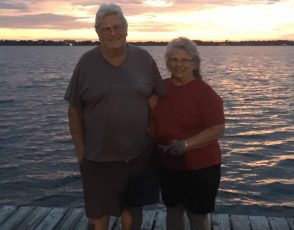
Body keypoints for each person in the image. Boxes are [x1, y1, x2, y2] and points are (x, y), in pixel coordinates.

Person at [64, 3, 165, 230]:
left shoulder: (144, 59)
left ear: (126, 28)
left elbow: (160, 98)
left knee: (132, 215)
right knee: (98, 218)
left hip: (138, 156)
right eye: (106, 29)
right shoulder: (86, 64)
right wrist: (81, 154)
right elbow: (74, 110)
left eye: (117, 27)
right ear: (97, 32)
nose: (113, 33)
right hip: (98, 159)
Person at [151, 37, 225, 230]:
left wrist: (185, 145)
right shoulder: (160, 89)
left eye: (185, 60)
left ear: (195, 63)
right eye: (174, 59)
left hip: (200, 168)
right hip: (168, 166)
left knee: (197, 217)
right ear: (167, 62)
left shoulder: (205, 93)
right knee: (173, 211)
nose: (179, 64)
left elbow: (217, 129)